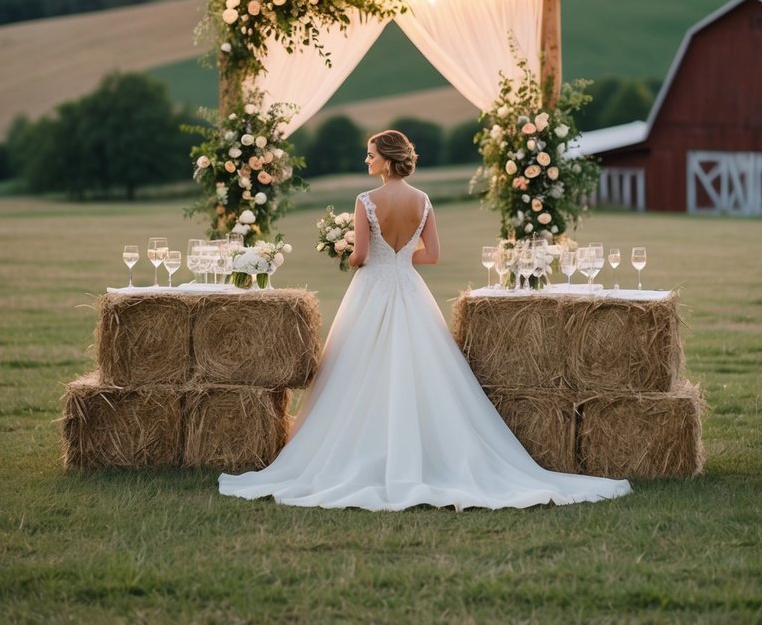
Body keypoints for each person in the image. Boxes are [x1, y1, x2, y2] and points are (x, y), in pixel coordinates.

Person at [219, 129, 631, 511]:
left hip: (372, 289)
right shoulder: (423, 200)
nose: (367, 161)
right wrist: (400, 258)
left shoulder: (366, 201)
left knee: (358, 368)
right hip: (409, 288)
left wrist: (350, 252)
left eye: (371, 155)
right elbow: (431, 255)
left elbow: (360, 256)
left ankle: (361, 451)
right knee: (424, 369)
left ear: (386, 160)